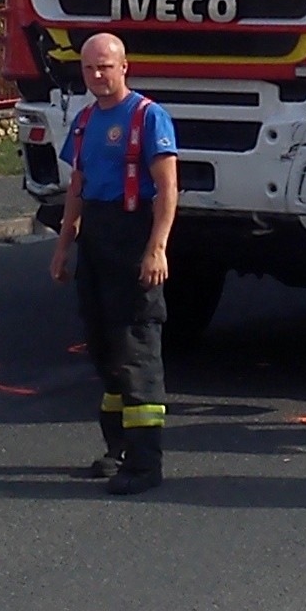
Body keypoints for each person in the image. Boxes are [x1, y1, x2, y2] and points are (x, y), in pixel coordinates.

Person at [50, 33, 181, 496]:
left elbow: (167, 188)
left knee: (136, 347)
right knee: (104, 347)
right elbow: (77, 186)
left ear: (124, 67)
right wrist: (63, 246)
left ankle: (146, 465)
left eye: (105, 67)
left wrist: (157, 247)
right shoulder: (85, 120)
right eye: (89, 68)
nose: (97, 76)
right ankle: (118, 450)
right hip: (97, 238)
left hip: (133, 234)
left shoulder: (148, 116)